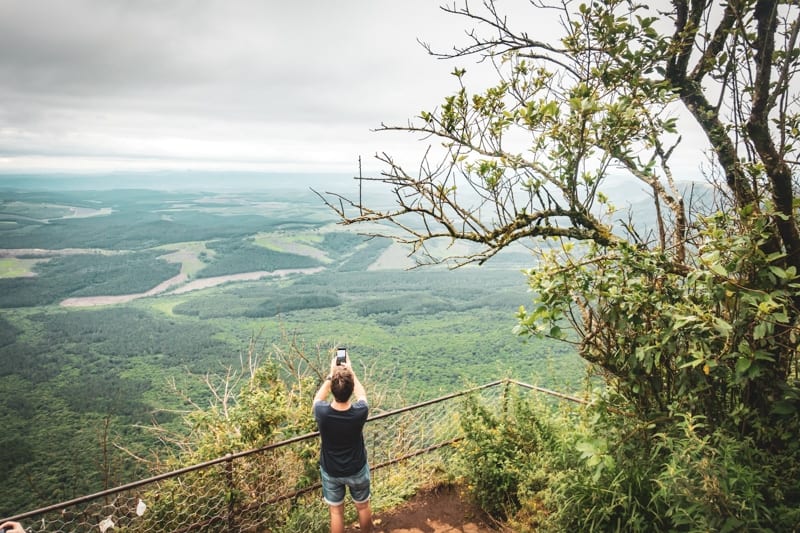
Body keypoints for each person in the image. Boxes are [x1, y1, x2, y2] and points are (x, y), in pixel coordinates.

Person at [312, 350, 372, 533]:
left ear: (332, 389)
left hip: (331, 470)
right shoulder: (360, 412)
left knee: (336, 513)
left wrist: (332, 375)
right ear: (350, 387)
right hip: (356, 467)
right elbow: (362, 396)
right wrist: (350, 373)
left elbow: (317, 399)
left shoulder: (322, 413)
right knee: (363, 507)